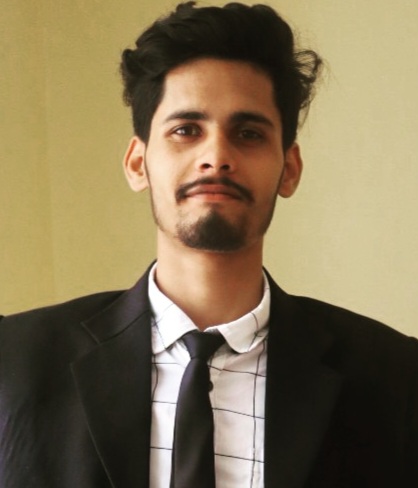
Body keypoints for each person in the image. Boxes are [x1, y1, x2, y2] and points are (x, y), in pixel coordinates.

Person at [0, 2, 417, 487]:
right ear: (137, 164)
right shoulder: (14, 360)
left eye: (248, 133)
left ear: (289, 169)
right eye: (186, 130)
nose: (216, 155)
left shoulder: (397, 378)